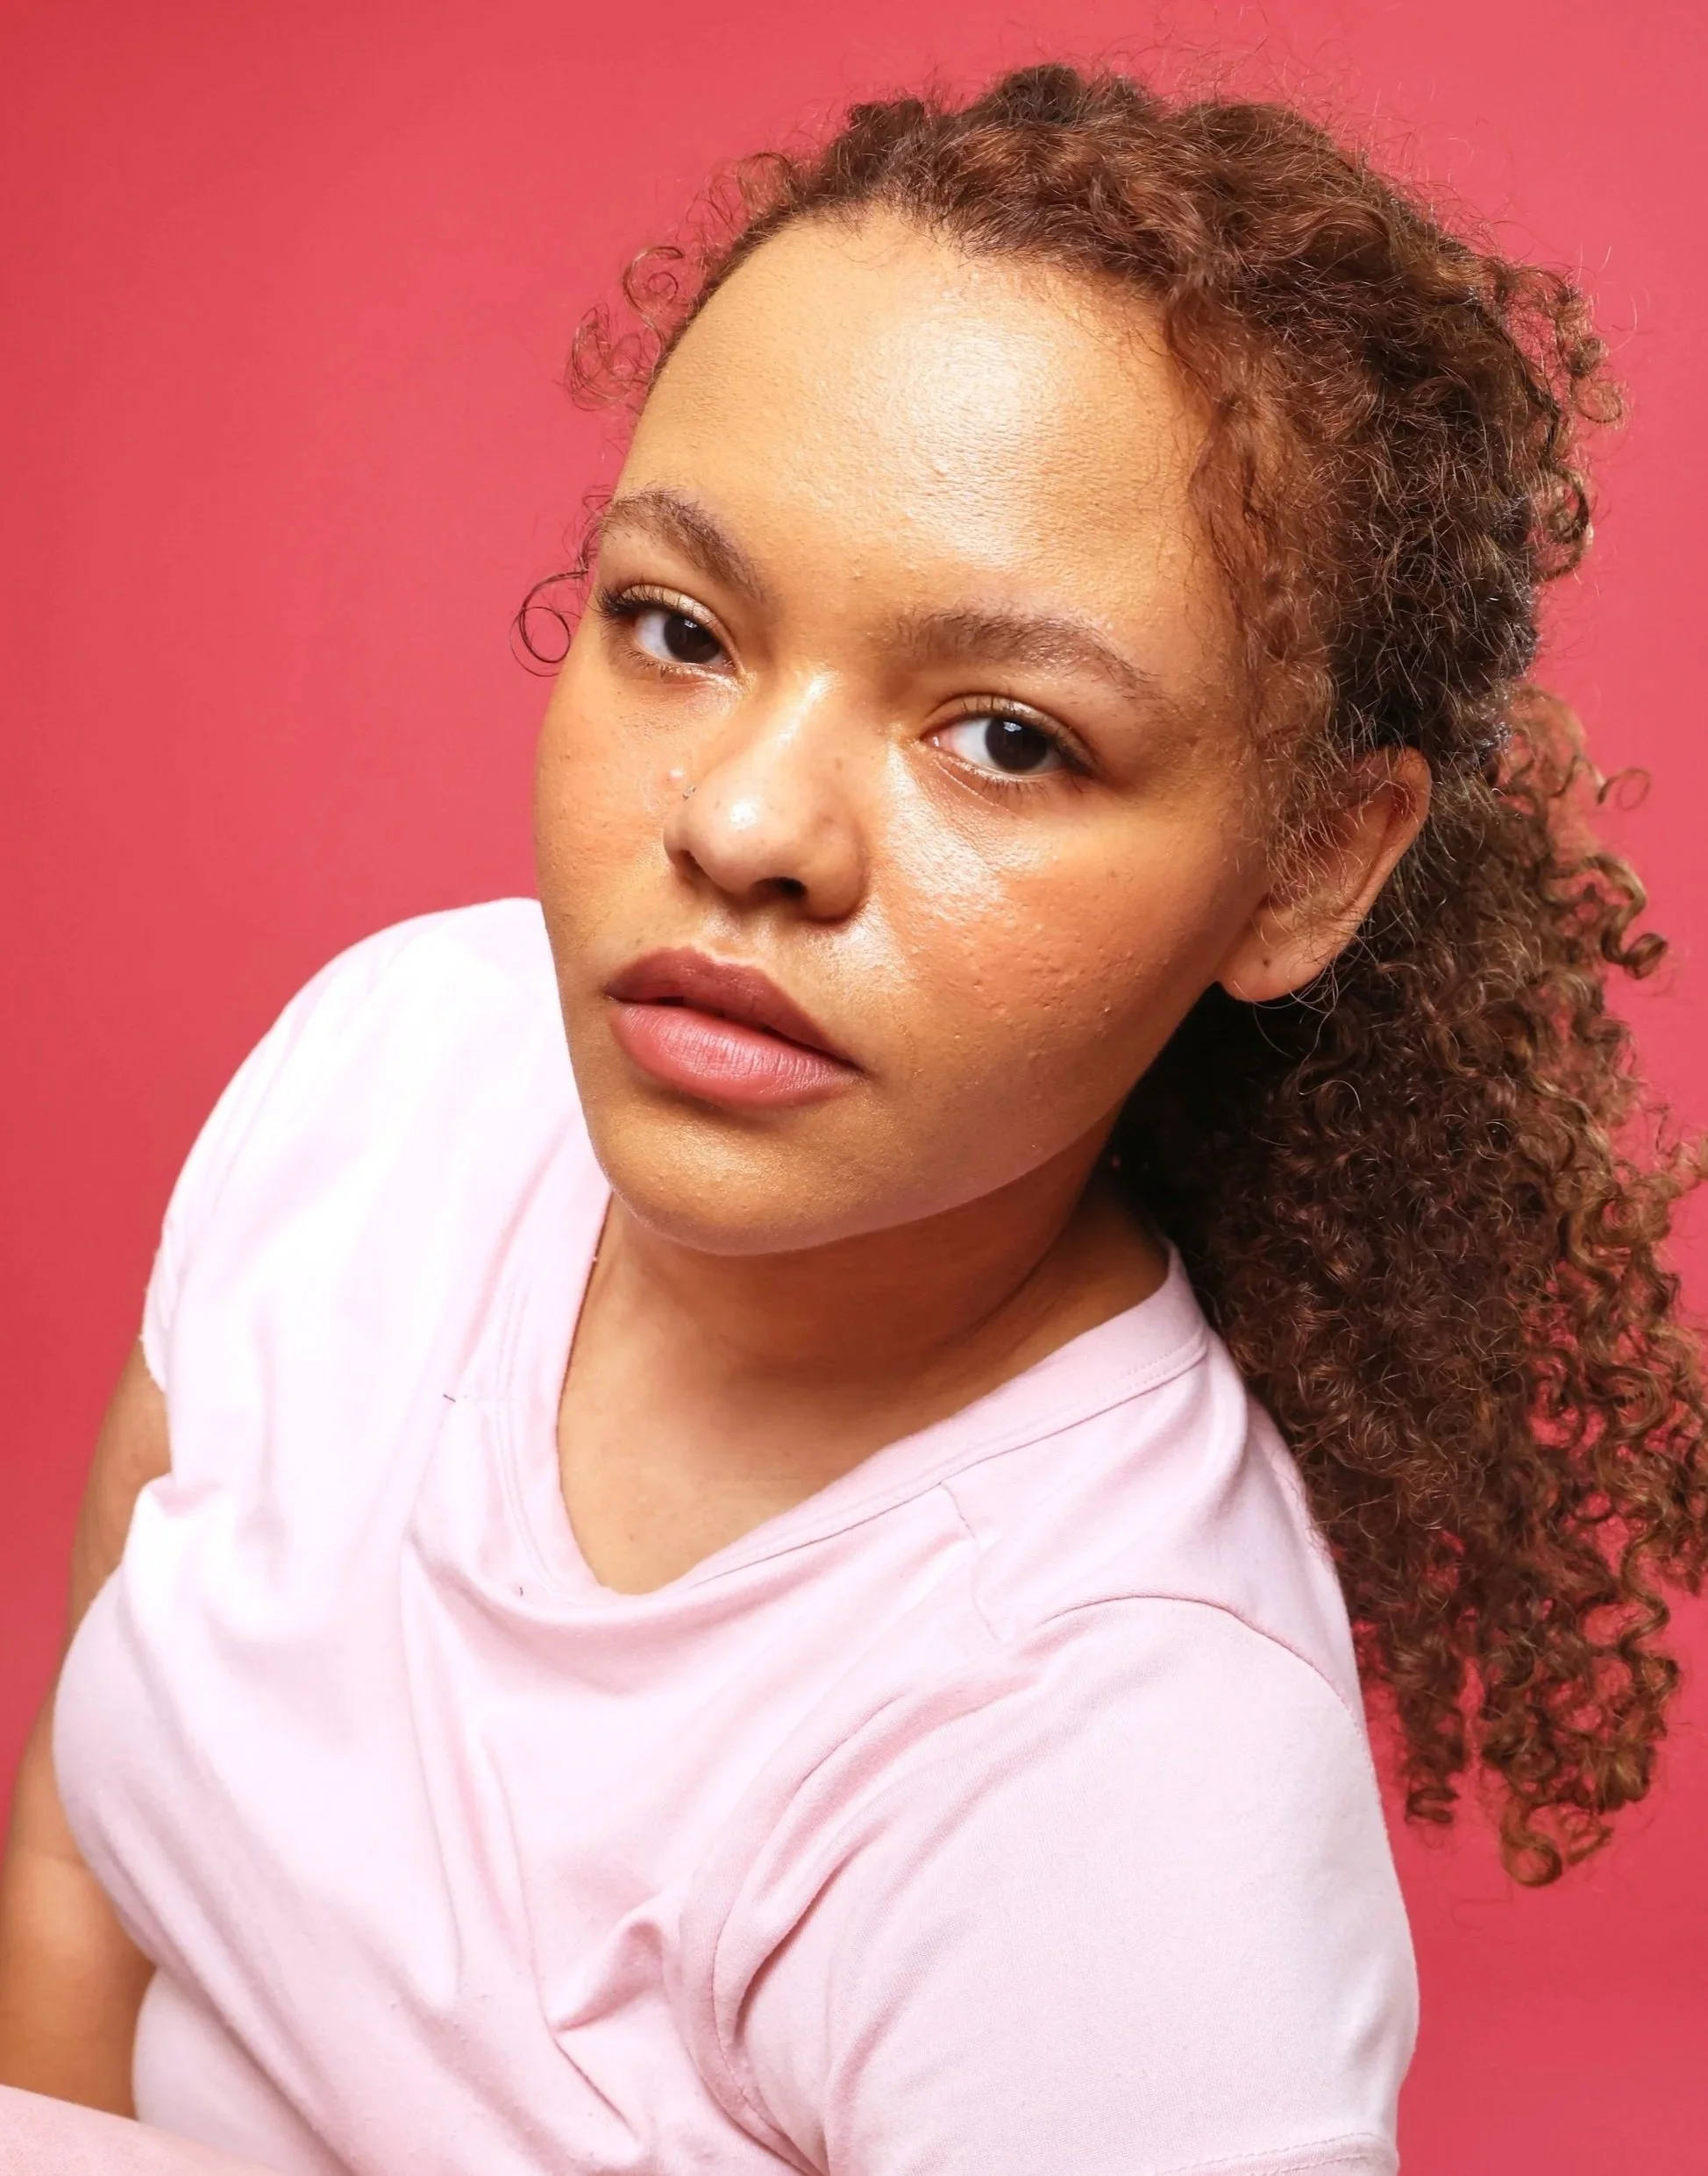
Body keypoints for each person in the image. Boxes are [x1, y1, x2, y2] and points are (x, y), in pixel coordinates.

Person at [2, 61, 1704, 2176]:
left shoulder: (1115, 1768)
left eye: (1004, 735)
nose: (740, 823)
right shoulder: (386, 1063)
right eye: (679, 627)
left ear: (1305, 872)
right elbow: (78, 1862)